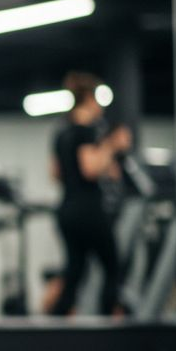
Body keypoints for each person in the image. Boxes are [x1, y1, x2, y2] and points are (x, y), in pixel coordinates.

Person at [48, 71, 132, 316]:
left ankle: (56, 325)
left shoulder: (61, 133)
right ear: (88, 98)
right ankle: (108, 324)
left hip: (67, 208)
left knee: (75, 271)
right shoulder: (86, 131)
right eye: (97, 100)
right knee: (114, 266)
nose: (100, 107)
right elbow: (89, 168)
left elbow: (55, 172)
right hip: (88, 209)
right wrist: (112, 145)